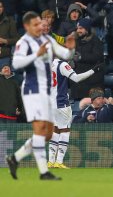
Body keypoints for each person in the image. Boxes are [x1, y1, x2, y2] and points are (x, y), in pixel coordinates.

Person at [7, 11, 76, 180]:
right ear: (27, 26)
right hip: (32, 89)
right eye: (36, 24)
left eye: (41, 24)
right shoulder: (23, 42)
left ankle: (15, 158)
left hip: (47, 92)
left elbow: (66, 55)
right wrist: (36, 55)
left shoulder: (47, 40)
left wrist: (71, 47)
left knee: (47, 134)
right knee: (40, 130)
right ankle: (44, 172)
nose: (40, 27)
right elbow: (16, 63)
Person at [47, 56, 102, 169]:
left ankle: (51, 161)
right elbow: (76, 78)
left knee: (56, 129)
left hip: (50, 103)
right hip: (61, 102)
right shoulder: (61, 65)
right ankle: (59, 161)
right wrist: (94, 70)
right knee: (65, 130)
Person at [70, 18, 104, 101]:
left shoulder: (95, 40)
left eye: (81, 28)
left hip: (91, 82)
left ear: (87, 29)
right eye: (77, 28)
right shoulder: (75, 40)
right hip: (77, 82)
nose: (78, 30)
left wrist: (81, 57)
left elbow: (98, 57)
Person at [0, 2, 20, 67]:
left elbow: (17, 39)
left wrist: (5, 41)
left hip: (4, 57)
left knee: (6, 76)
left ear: (3, 8)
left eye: (0, 7)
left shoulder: (9, 21)